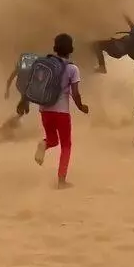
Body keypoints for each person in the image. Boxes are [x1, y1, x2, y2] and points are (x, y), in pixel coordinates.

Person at [34, 34, 89, 188]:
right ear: (71, 48)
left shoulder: (46, 65)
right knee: (66, 145)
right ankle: (61, 180)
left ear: (55, 47)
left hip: (45, 109)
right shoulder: (72, 68)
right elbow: (75, 93)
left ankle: (44, 144)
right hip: (62, 112)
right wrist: (81, 107)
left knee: (52, 140)